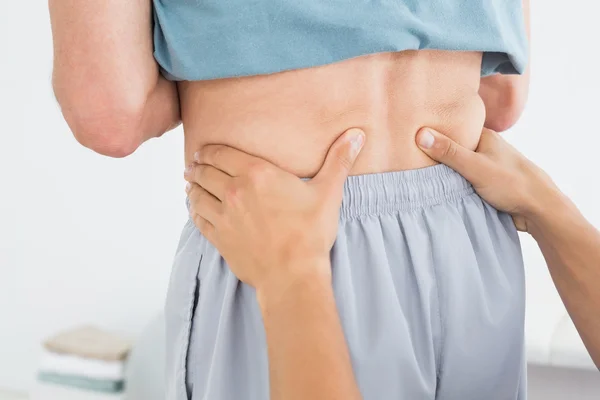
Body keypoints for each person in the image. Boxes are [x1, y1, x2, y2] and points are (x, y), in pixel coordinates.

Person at [48, 0, 531, 398]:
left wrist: (226, 83)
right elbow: (505, 96)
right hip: (469, 234)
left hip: (278, 231)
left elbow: (109, 113)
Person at [184, 126, 600, 399]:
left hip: (287, 231)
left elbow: (122, 117)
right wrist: (549, 210)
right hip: (468, 230)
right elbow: (506, 94)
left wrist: (291, 275)